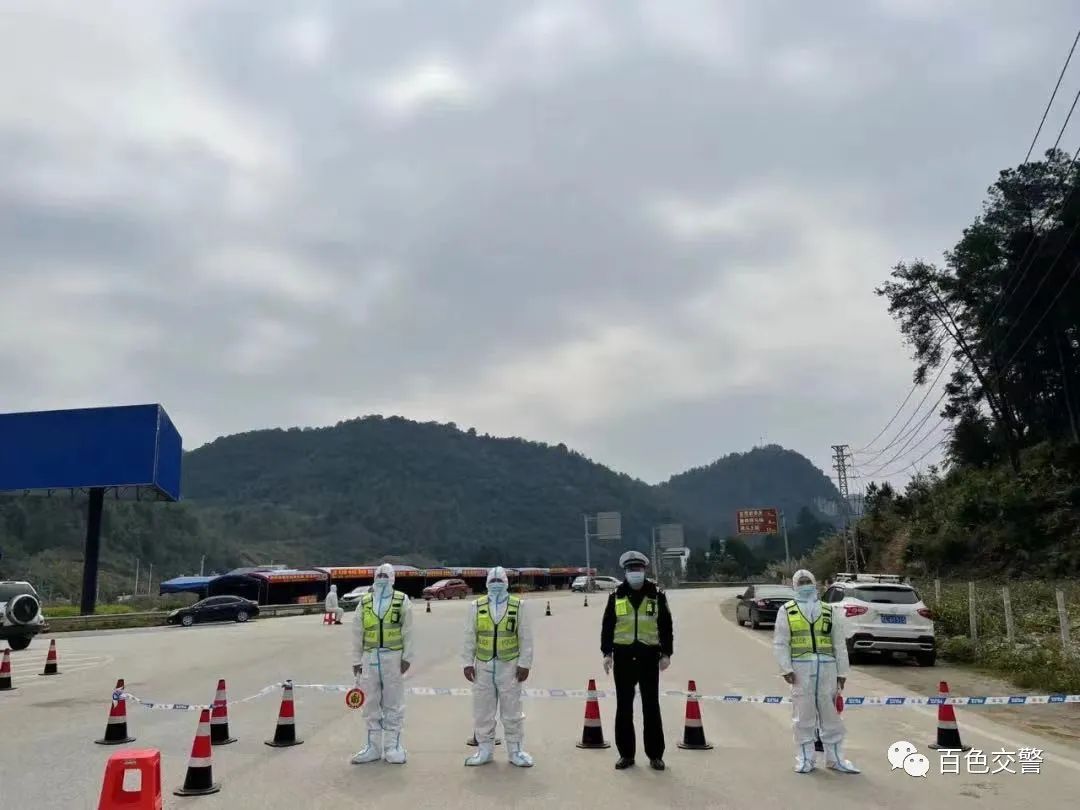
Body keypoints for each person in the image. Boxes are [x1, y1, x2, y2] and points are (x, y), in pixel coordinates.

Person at [772, 568, 859, 774]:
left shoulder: (829, 610)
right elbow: (781, 642)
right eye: (801, 582)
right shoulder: (788, 610)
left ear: (815, 583)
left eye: (807, 581)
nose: (805, 585)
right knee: (803, 717)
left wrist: (842, 673)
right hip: (801, 671)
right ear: (795, 586)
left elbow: (838, 643)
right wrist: (785, 668)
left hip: (828, 670)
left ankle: (835, 759)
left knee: (832, 718)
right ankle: (805, 759)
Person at [600, 550, 673, 771]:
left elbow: (666, 626)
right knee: (624, 708)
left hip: (649, 657)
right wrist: (606, 653)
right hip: (623, 658)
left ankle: (655, 755)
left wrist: (667, 653)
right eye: (631, 570)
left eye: (638, 569)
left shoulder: (657, 594)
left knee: (651, 707)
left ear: (644, 571)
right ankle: (626, 755)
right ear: (625, 572)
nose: (635, 573)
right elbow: (607, 626)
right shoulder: (616, 595)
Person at [461, 566, 535, 767]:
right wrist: (467, 663)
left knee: (512, 710)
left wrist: (525, 663)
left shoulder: (518, 606)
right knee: (483, 710)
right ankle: (484, 750)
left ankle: (515, 751)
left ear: (506, 583)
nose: (495, 585)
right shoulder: (476, 606)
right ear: (486, 583)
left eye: (499, 581)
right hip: (483, 666)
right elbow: (469, 636)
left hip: (509, 665)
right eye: (492, 581)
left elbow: (525, 637)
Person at [351, 563, 414, 764]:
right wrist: (356, 660)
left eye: (386, 575)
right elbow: (357, 633)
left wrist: (407, 657)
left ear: (393, 578)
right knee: (370, 703)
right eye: (379, 575)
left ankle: (393, 747)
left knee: (393, 703)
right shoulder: (365, 602)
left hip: (393, 658)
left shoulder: (401, 600)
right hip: (370, 658)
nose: (382, 578)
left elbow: (409, 631)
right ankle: (373, 747)